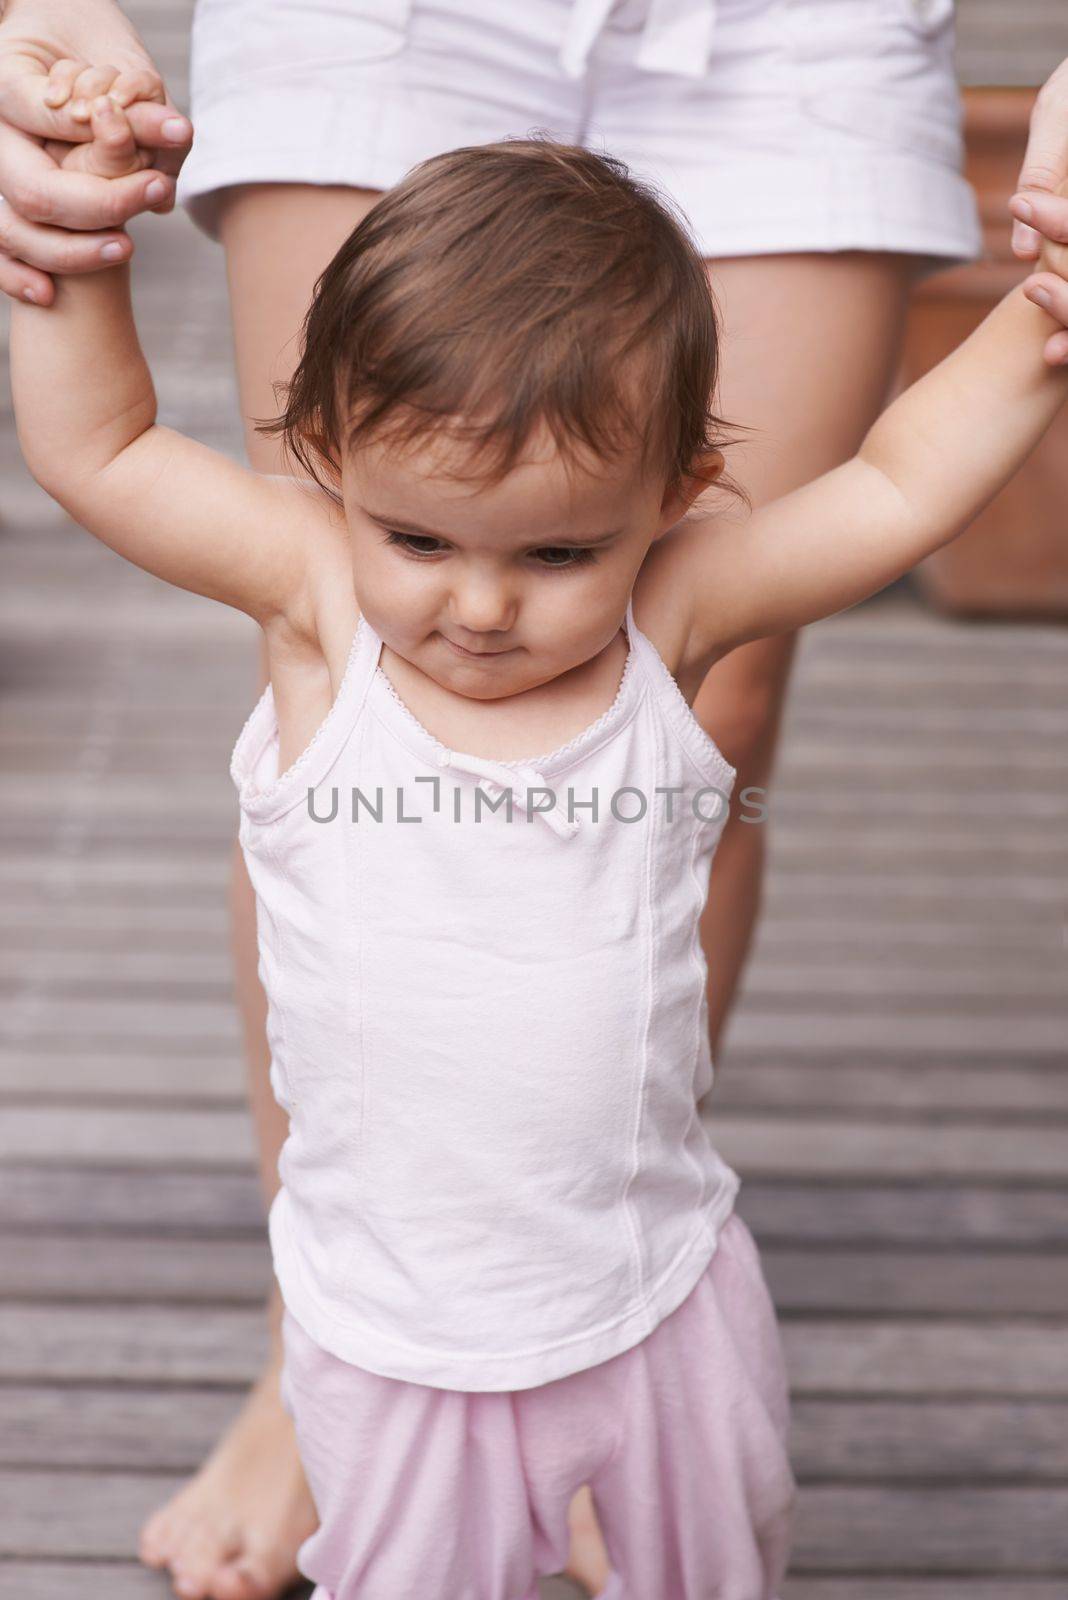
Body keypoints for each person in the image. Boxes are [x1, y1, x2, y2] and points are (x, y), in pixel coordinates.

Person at [3, 5, 1068, 1597]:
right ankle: (285, 1403)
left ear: (674, 501)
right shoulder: (319, 606)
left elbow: (901, 481)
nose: (481, 607)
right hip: (393, 1325)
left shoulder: (674, 615)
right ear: (326, 460)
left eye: (559, 552)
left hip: (657, 1296)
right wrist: (71, 252)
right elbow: (104, 447)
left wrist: (1044, 314)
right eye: (420, 541)